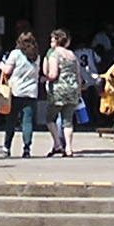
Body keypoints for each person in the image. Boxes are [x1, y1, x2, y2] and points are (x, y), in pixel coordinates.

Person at [0, 30, 42, 159]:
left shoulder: (15, 54)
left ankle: (7, 146)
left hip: (16, 92)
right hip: (31, 92)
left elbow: (7, 71)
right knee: (27, 121)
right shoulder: (36, 56)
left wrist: (2, 65)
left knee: (11, 120)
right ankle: (27, 148)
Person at [41, 29, 83, 157]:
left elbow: (53, 74)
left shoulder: (54, 55)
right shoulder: (72, 55)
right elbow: (78, 75)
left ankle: (58, 144)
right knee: (68, 120)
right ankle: (69, 148)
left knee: (50, 118)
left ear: (57, 41)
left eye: (52, 39)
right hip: (72, 89)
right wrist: (79, 91)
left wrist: (45, 78)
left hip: (58, 90)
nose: (50, 42)